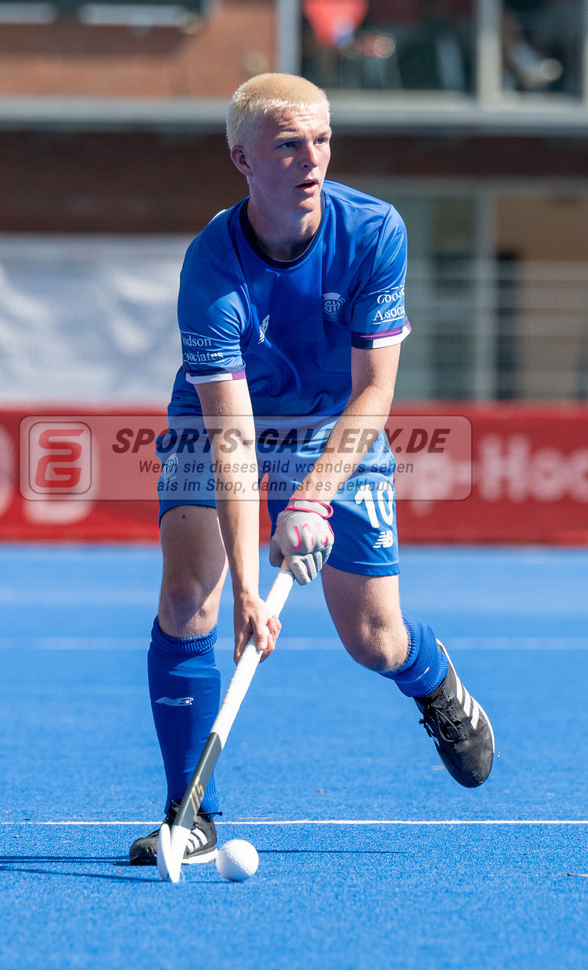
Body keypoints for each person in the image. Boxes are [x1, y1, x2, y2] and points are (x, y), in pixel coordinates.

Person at [129, 72, 494, 867]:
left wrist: (311, 501)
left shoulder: (373, 232)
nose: (310, 158)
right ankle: (189, 814)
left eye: (321, 140)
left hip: (333, 421)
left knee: (372, 637)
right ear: (242, 158)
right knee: (190, 593)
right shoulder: (212, 268)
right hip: (218, 419)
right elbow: (229, 438)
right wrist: (249, 598)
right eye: (287, 144)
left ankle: (433, 683)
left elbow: (376, 391)